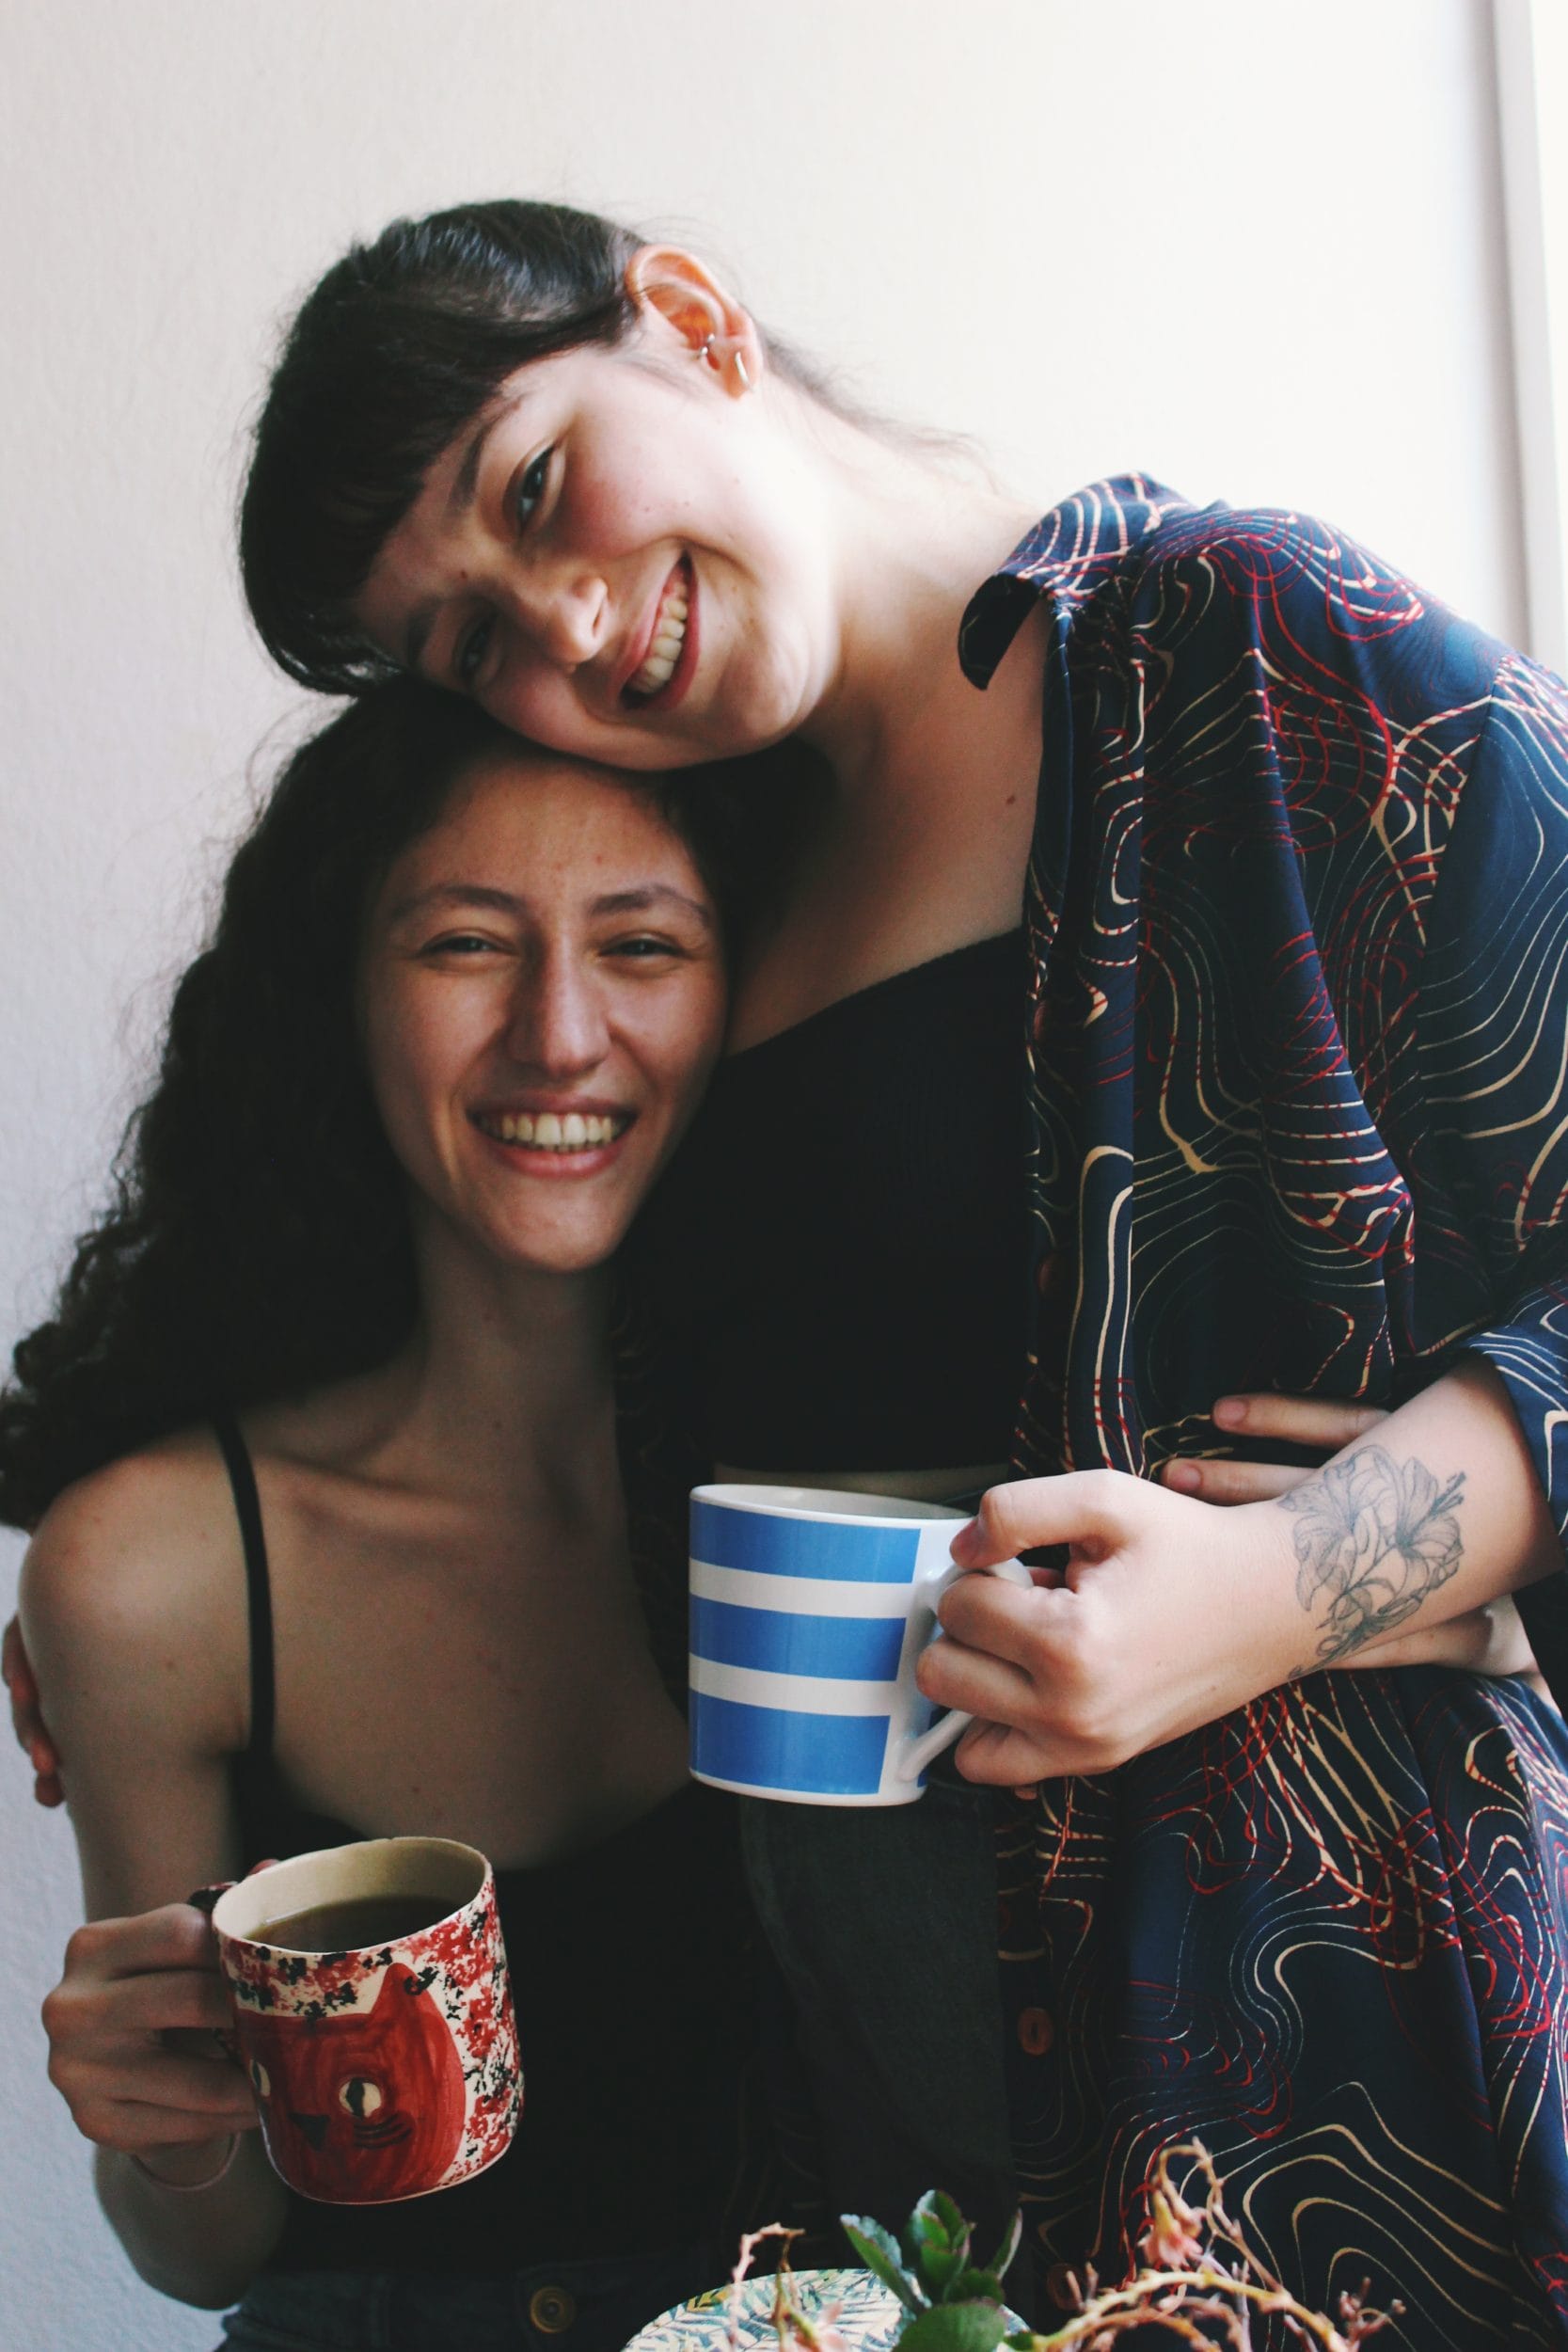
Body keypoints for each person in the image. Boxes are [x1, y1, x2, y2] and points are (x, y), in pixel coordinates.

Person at [32, 195, 1568, 2342]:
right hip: (892, 2209)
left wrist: (1298, 1578)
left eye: (534, 489)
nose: (568, 628)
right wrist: (143, 1600)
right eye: (471, 642)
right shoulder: (709, 865)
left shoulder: (1238, 641)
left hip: (1330, 2124)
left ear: (685, 314)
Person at [0, 680, 783, 2352]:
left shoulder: (869, 1493)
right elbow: (204, 2257)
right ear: (339, 1000)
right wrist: (167, 2127)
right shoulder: (156, 1573)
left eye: (642, 945)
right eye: (465, 945)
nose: (558, 1034)